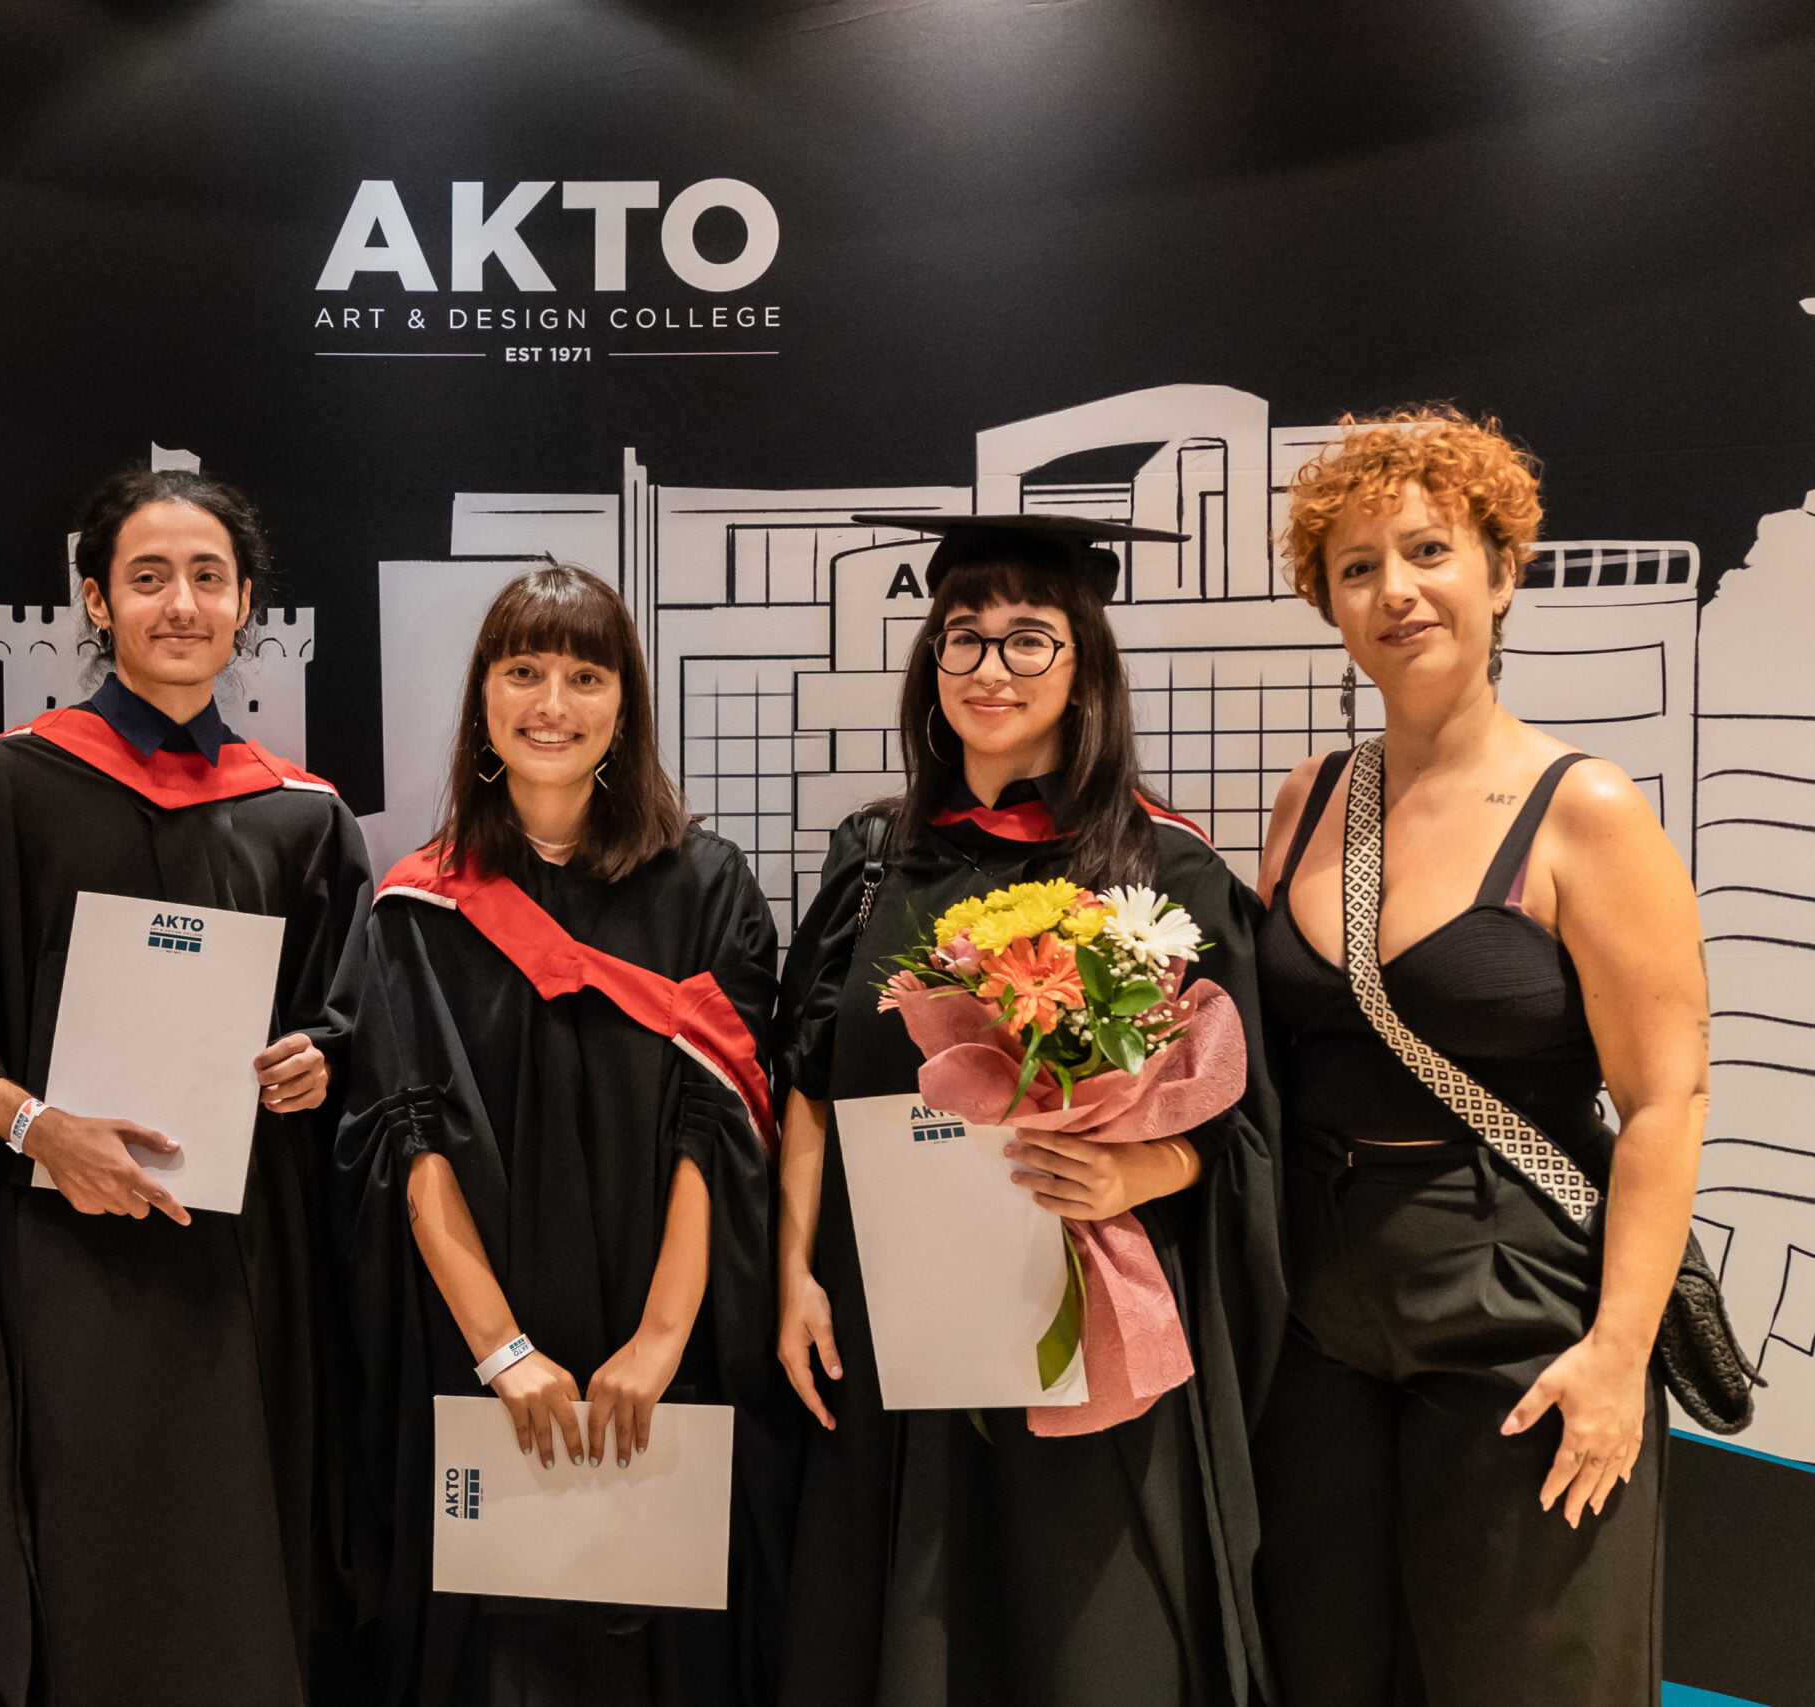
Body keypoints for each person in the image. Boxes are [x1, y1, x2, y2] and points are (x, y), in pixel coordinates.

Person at [0, 468, 374, 1707]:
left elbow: (358, 1030)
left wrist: (324, 1058)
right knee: (96, 1568)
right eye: (147, 578)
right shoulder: (1, 787)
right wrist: (43, 1129)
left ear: (246, 601)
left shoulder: (303, 819)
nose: (180, 605)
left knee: (242, 1572)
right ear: (95, 603)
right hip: (66, 1260)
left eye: (208, 578)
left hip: (247, 1268)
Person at [770, 517, 1285, 1707]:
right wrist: (793, 1273)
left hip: (1083, 1324)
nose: (988, 669)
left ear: (1085, 666)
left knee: (1081, 1647)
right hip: (895, 1325)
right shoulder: (874, 863)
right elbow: (809, 1081)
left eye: (1026, 639)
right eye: (962, 637)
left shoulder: (1161, 874)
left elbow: (1243, 1125)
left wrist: (1135, 1173)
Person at [1253, 409, 1709, 1705]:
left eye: (1427, 550)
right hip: (1318, 1307)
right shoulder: (1307, 799)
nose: (1395, 590)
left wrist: (1617, 1352)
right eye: (1356, 567)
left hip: (1517, 1292)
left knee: (1529, 1674)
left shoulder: (1586, 810)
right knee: (1327, 1669)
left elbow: (1666, 1099)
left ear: (1501, 571)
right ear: (1330, 606)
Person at [335, 564, 789, 1707]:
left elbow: (719, 1131)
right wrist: (503, 1353)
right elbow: (408, 1142)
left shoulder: (707, 888)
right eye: (524, 671)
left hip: (662, 1350)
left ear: (624, 705)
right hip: (480, 1357)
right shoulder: (417, 910)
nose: (552, 703)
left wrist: (660, 1342)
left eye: (586, 677)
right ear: (483, 700)